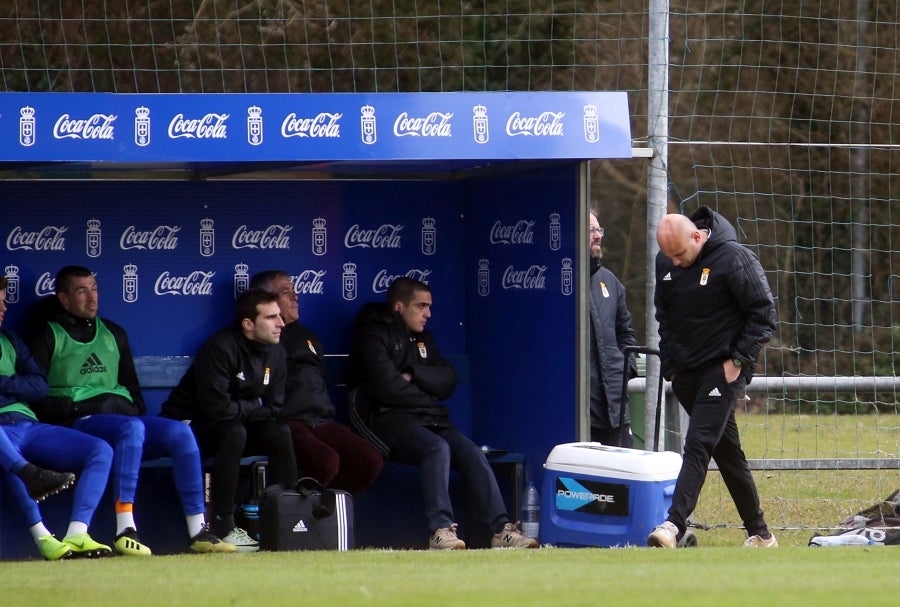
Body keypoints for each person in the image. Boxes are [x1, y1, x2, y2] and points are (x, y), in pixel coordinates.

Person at [27, 265, 234, 556]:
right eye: (81, 291)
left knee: (179, 431)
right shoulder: (47, 335)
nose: (92, 298)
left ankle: (198, 530)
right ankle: (125, 528)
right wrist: (87, 405)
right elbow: (37, 397)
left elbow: (134, 393)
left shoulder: (114, 333)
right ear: (63, 298)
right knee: (131, 427)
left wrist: (122, 406)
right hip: (78, 427)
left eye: (94, 288)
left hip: (123, 426)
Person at [348, 277, 536, 550]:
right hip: (385, 420)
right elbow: (386, 388)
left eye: (429, 306)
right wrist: (425, 392)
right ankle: (440, 531)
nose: (428, 314)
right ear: (399, 306)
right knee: (437, 448)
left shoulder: (424, 338)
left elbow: (448, 379)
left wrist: (414, 373)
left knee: (471, 451)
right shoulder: (373, 334)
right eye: (421, 306)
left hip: (427, 418)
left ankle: (501, 531)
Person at [647, 207, 778, 549]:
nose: (675, 262)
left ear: (696, 236)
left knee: (698, 444)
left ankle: (672, 525)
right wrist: (671, 365)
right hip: (687, 374)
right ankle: (761, 535)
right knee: (728, 453)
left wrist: (737, 361)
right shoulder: (667, 263)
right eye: (669, 256)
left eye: (680, 255)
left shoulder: (734, 258)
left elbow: (764, 314)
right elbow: (664, 316)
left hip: (723, 369)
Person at [161, 288, 299, 552]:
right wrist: (253, 405)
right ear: (248, 324)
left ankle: (287, 519)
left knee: (280, 432)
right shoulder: (221, 347)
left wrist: (248, 408)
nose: (281, 323)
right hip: (191, 430)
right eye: (271, 317)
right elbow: (216, 410)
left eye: (279, 316)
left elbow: (274, 407)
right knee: (234, 432)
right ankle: (223, 525)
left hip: (236, 428)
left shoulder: (276, 352)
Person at [0, 275, 114, 560]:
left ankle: (77, 532)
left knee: (99, 449)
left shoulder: (9, 339)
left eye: (3, 302)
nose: (3, 309)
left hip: (27, 424)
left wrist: (3, 382)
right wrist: (14, 385)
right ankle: (43, 537)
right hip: (2, 432)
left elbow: (39, 386)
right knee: (10, 452)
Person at [250, 271, 383, 497]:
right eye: (285, 292)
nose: (295, 296)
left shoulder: (308, 335)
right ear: (265, 301)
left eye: (294, 290)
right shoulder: (260, 337)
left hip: (321, 420)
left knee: (370, 460)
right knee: (326, 461)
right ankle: (296, 514)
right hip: (287, 421)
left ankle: (320, 511)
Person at [588, 211, 638, 447]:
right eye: (590, 230)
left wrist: (626, 369)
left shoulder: (611, 282)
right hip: (579, 416)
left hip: (616, 412)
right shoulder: (561, 282)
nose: (597, 236)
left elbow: (626, 332)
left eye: (599, 230)